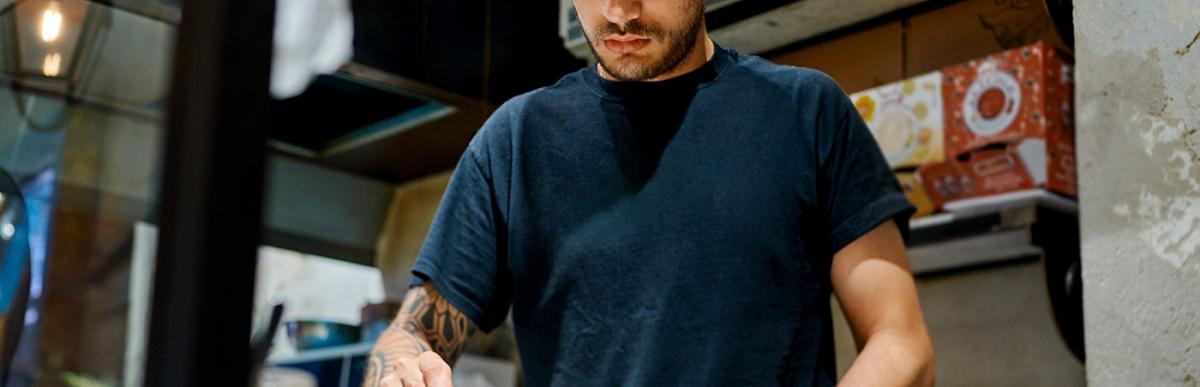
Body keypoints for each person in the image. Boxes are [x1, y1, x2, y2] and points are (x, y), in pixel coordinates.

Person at [365, 0, 935, 385]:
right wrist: (400, 372)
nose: (620, 11)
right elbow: (413, 330)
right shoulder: (516, 141)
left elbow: (901, 342)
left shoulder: (806, 113)